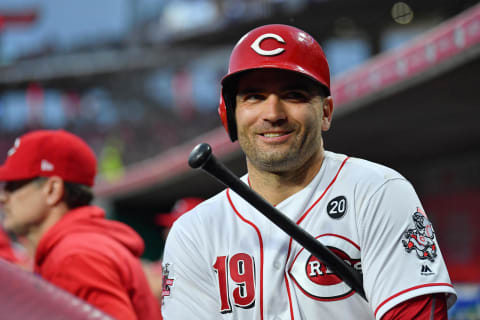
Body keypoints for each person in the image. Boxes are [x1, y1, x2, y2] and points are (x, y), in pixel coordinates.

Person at [161, 24, 457, 319]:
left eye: (294, 95)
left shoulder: (377, 192)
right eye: (254, 97)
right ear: (230, 116)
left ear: (326, 112)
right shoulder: (194, 232)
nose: (273, 114)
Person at [0, 129, 162, 320]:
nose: (3, 197)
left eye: (13, 186)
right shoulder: (79, 246)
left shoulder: (74, 257)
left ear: (52, 189)